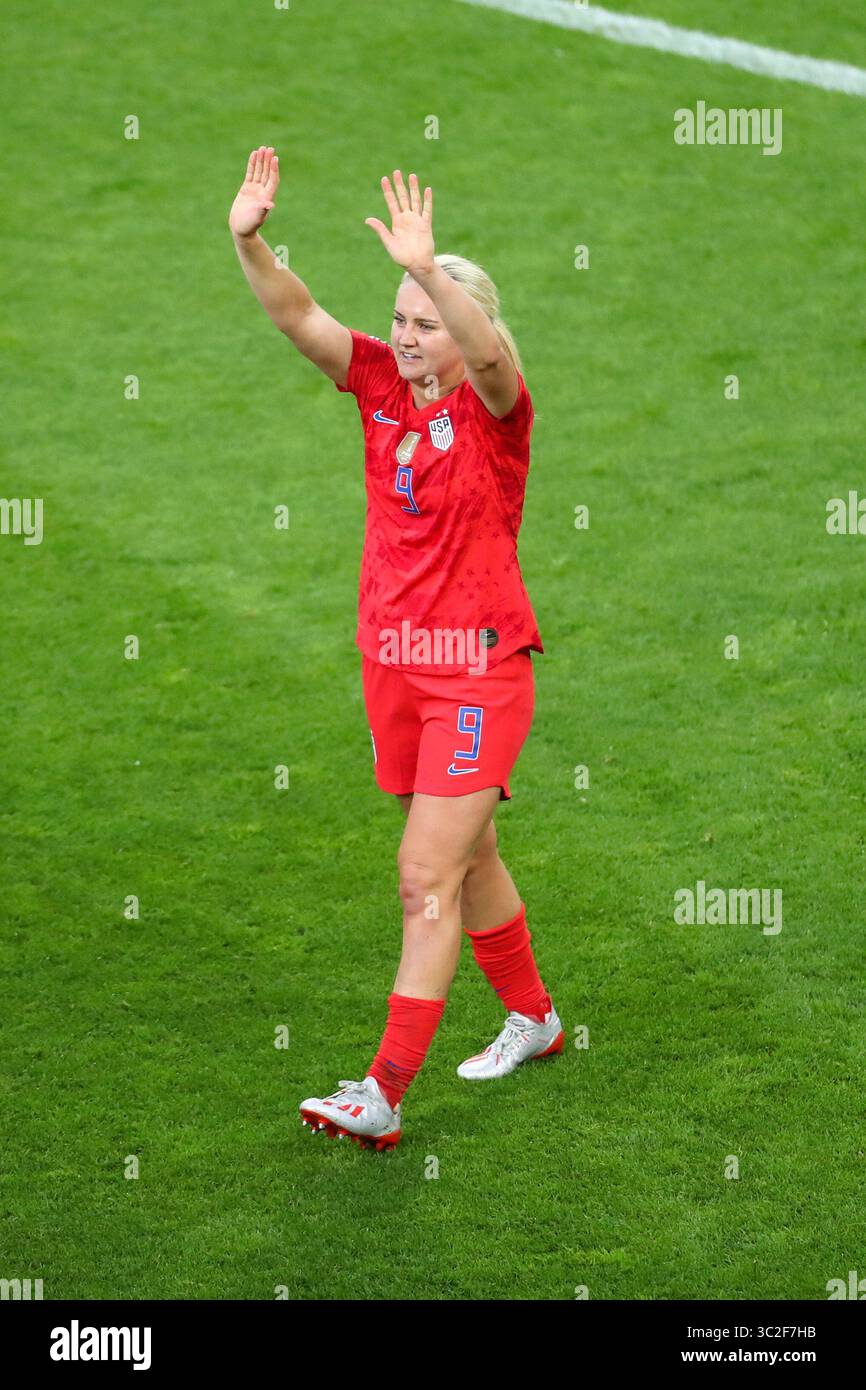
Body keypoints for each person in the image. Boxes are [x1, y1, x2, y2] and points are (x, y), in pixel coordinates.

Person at [229, 149, 563, 1151]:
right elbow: (298, 317)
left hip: (477, 670)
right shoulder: (378, 384)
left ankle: (381, 1092)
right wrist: (247, 238)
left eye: (424, 321)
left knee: (424, 873)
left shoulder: (494, 416)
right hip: (396, 668)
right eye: (403, 317)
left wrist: (430, 271)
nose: (408, 335)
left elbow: (496, 358)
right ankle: (534, 1019)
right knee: (471, 858)